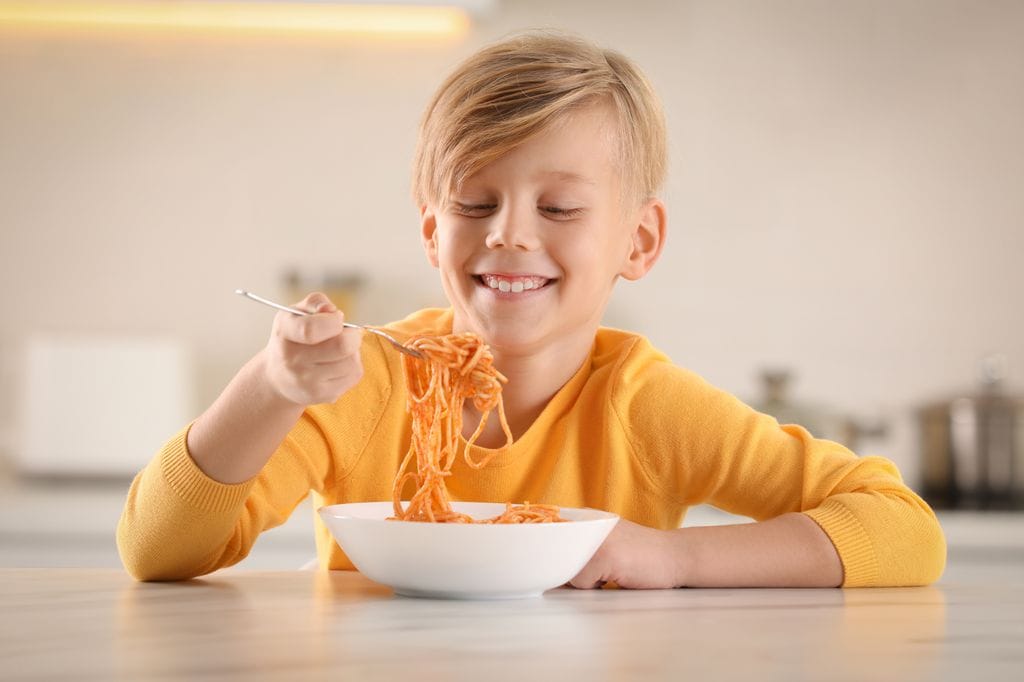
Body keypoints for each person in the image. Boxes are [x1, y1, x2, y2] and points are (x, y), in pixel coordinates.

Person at [118, 31, 945, 588]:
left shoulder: (646, 407)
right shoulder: (367, 382)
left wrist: (674, 556)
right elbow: (158, 552)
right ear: (431, 229)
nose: (510, 237)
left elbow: (905, 531)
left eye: (558, 210)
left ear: (639, 241)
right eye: (476, 204)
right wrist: (271, 385)